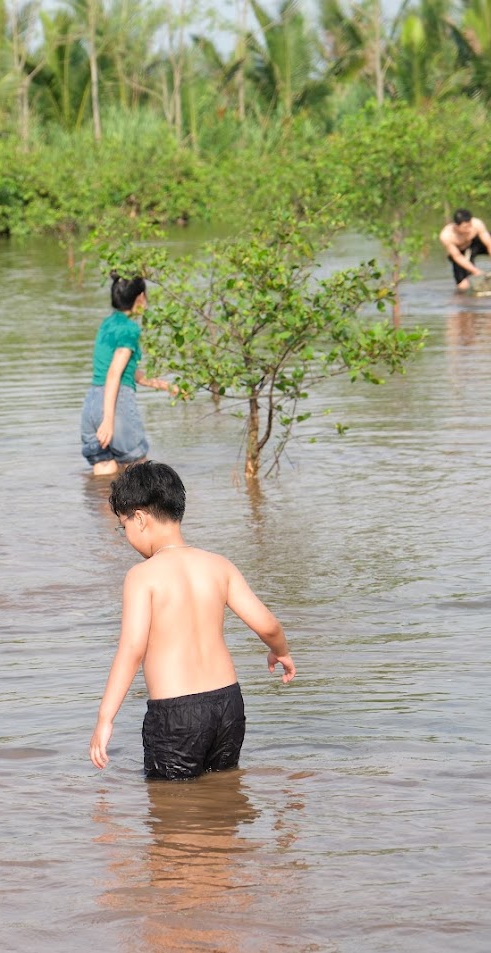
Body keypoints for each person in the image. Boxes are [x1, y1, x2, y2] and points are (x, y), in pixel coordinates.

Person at [89, 461, 294, 780]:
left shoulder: (142, 577)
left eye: (123, 526)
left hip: (177, 713)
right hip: (228, 705)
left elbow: (131, 651)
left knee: (172, 809)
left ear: (140, 518)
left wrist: (105, 718)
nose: (125, 535)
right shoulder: (219, 566)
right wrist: (280, 651)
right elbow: (268, 625)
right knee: (224, 794)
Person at [80, 274, 177, 476]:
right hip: (115, 406)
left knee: (105, 478)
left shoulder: (107, 324)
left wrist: (166, 386)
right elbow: (114, 373)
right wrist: (109, 420)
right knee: (141, 474)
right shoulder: (129, 329)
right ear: (140, 297)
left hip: (92, 404)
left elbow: (128, 372)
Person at [439, 209, 491, 291]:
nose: (469, 229)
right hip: (460, 253)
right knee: (463, 286)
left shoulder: (477, 224)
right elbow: (457, 256)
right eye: (465, 227)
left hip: (474, 244)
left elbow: (490, 244)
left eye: (470, 225)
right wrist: (476, 271)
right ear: (456, 226)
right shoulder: (447, 236)